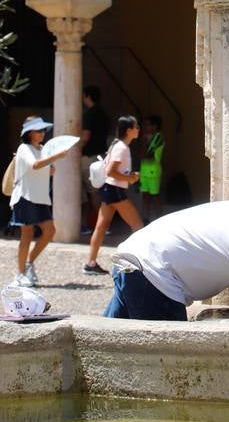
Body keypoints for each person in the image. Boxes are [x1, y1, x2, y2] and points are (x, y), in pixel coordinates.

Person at [9, 115, 72, 287]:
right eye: (38, 130)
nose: (42, 133)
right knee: (27, 235)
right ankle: (20, 273)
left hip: (41, 197)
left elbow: (46, 169)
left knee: (50, 231)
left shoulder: (42, 149)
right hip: (25, 196)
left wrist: (51, 166)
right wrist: (56, 156)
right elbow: (35, 165)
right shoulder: (24, 148)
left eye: (43, 130)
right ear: (29, 133)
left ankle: (29, 263)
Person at [83, 115, 143, 275]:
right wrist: (130, 178)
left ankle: (90, 263)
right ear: (129, 130)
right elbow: (110, 171)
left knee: (101, 227)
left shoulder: (117, 145)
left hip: (108, 189)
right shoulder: (122, 148)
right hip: (115, 190)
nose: (138, 130)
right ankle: (137, 262)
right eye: (136, 127)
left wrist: (129, 176)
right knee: (138, 225)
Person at [80, 85, 110, 235]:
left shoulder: (89, 114)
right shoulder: (103, 114)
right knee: (98, 191)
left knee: (92, 192)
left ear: (87, 96)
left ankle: (101, 226)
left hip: (89, 157)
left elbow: (85, 137)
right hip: (101, 156)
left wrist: (75, 149)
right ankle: (89, 224)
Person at [139, 114, 165, 223]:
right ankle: (145, 219)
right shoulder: (146, 137)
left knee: (155, 196)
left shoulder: (158, 137)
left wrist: (144, 140)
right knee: (145, 196)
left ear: (155, 126)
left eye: (148, 125)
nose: (145, 127)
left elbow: (146, 154)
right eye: (145, 125)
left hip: (153, 171)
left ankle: (160, 219)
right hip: (144, 170)